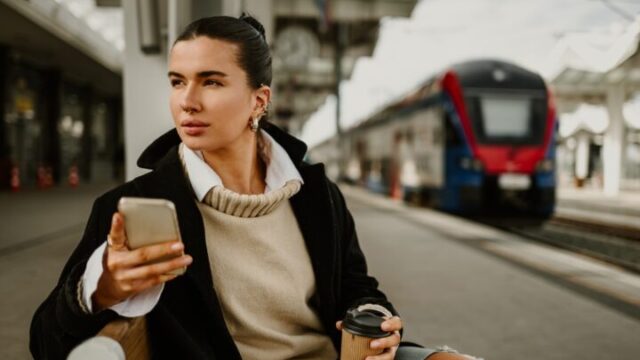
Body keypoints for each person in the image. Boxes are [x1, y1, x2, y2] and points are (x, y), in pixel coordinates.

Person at [30, 14, 476, 360]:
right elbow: (45, 343)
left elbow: (357, 287)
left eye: (211, 81)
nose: (188, 101)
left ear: (259, 100)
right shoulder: (136, 205)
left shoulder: (316, 194)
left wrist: (375, 316)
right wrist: (98, 288)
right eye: (177, 81)